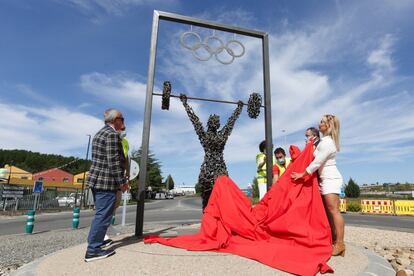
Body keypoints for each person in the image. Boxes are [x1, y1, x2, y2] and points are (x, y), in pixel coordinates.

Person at [291, 114, 345, 257]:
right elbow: (313, 156)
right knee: (329, 211)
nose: (319, 124)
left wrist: (302, 174)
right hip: (324, 178)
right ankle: (334, 240)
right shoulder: (324, 141)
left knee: (333, 211)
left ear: (329, 125)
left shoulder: (327, 142)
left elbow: (317, 161)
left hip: (330, 178)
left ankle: (340, 243)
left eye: (322, 122)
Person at [179, 94, 243, 211]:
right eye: (215, 122)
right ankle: (214, 219)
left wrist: (185, 103)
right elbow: (230, 123)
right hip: (215, 169)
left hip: (211, 169)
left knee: (214, 198)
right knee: (219, 197)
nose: (215, 123)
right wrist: (239, 109)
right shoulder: (219, 136)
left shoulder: (209, 136)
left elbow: (195, 121)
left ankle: (211, 218)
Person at [85, 108, 128, 262]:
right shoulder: (111, 135)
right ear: (116, 119)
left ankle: (94, 242)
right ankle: (93, 251)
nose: (123, 122)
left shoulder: (99, 133)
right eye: (122, 119)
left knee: (100, 214)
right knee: (103, 216)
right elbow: (113, 162)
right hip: (106, 182)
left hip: (97, 180)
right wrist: (122, 183)